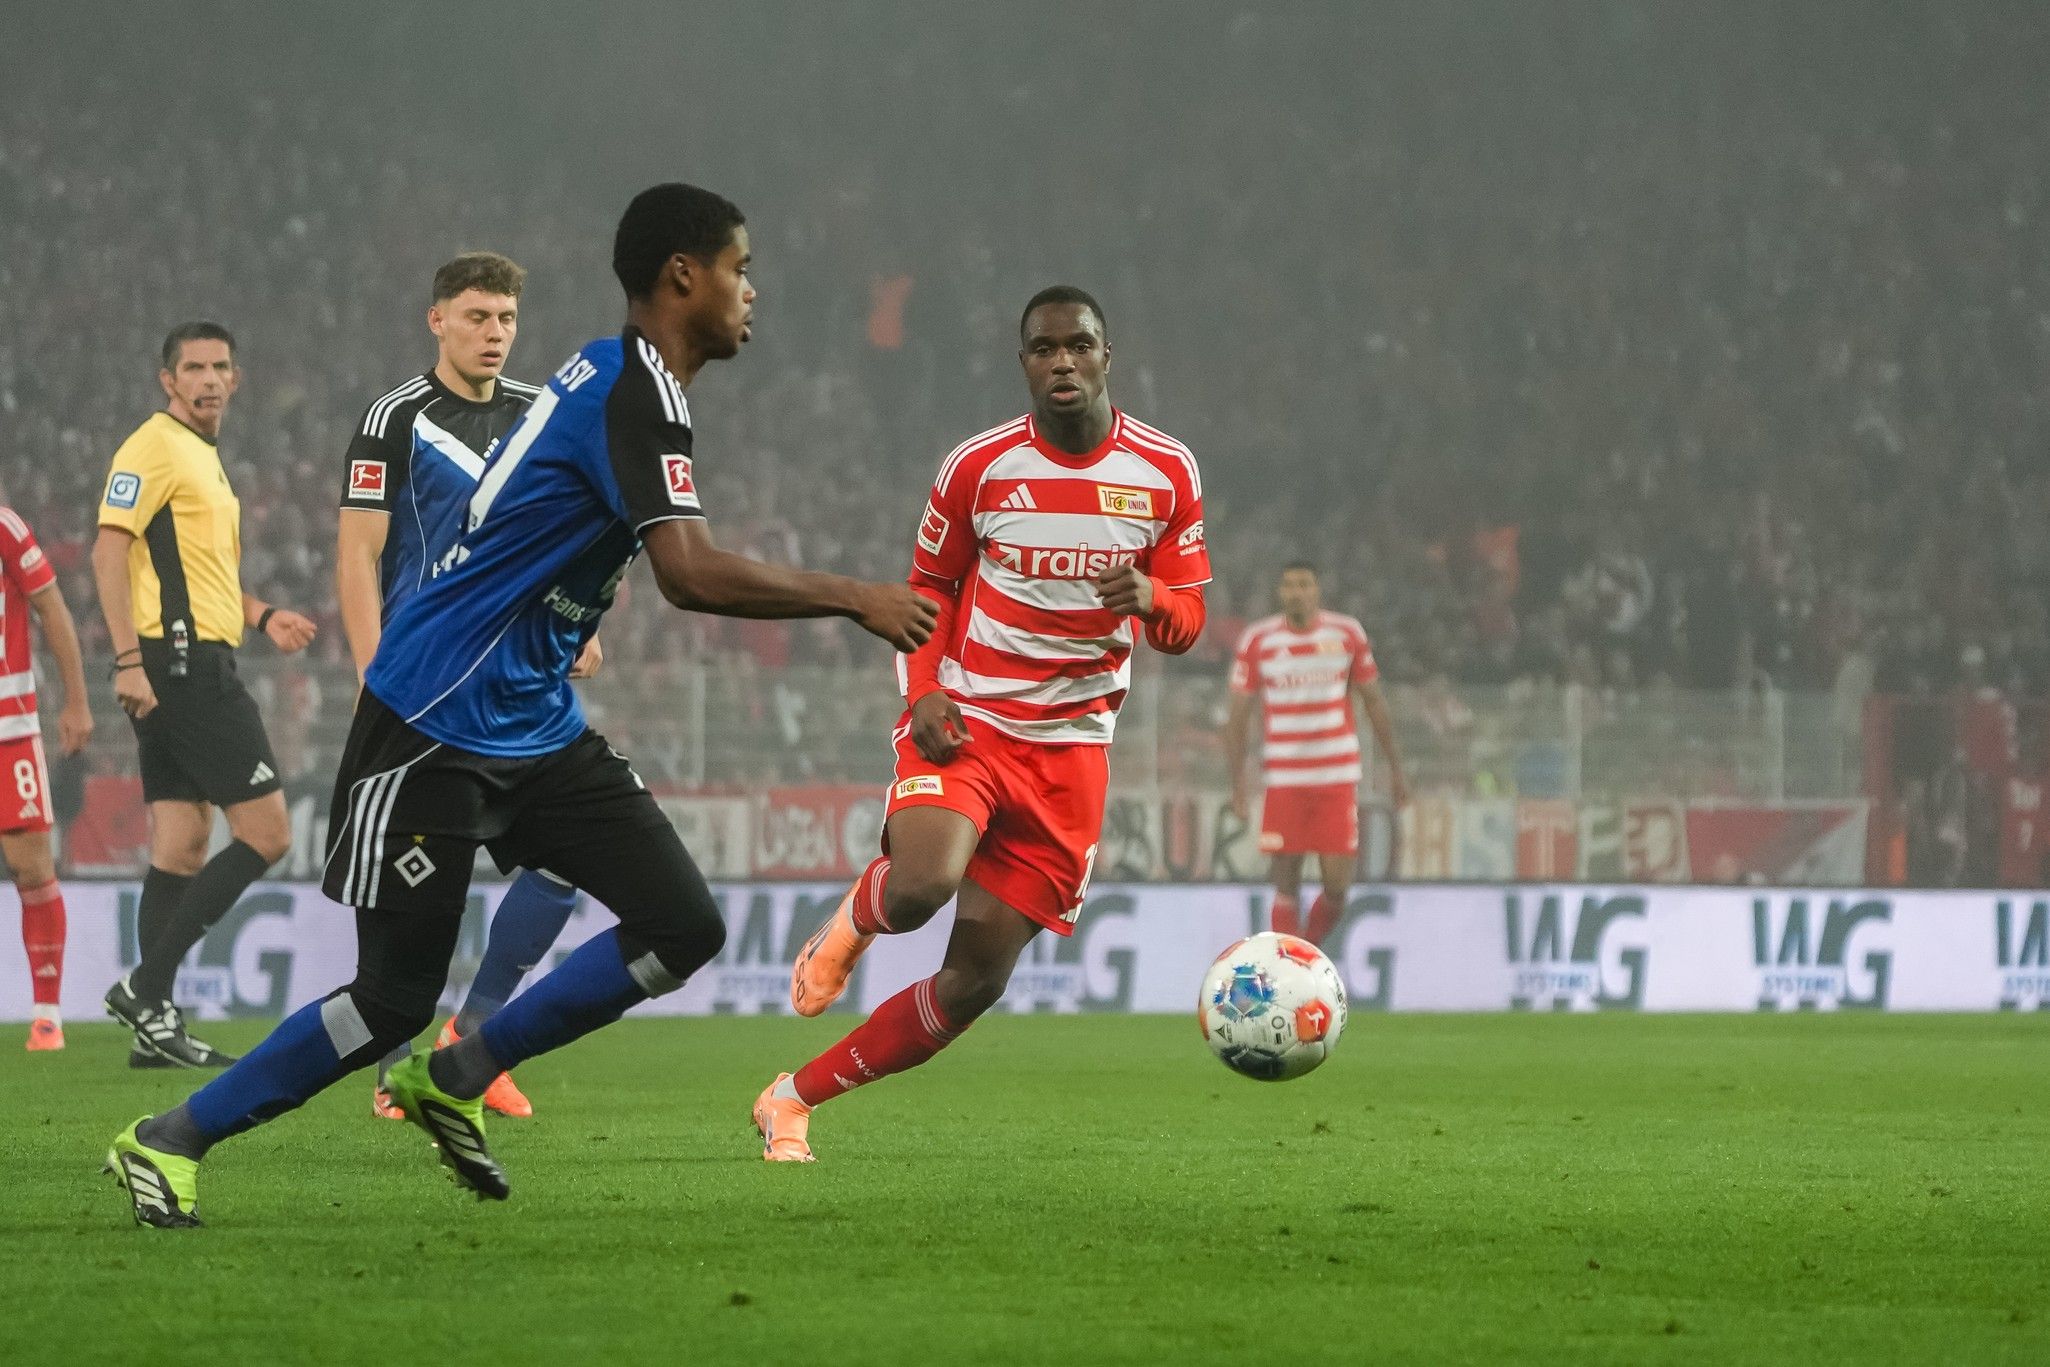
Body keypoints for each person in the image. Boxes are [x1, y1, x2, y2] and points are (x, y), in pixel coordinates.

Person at [104, 182, 936, 1228]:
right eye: (740, 267)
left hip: (533, 720)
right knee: (389, 999)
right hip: (433, 717)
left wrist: (560, 608)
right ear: (684, 276)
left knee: (683, 922)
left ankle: (460, 1071)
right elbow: (688, 572)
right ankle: (169, 1136)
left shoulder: (612, 373)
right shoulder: (631, 390)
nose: (750, 290)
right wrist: (856, 596)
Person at [755, 286, 1209, 1162]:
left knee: (971, 983)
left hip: (1072, 754)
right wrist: (923, 690)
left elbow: (1185, 623)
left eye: (1079, 345)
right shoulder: (980, 466)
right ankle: (855, 918)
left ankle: (792, 1098)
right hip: (972, 721)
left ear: (1107, 356)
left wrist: (1154, 597)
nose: (1062, 361)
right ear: (1024, 362)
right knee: (921, 885)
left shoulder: (1165, 471)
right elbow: (927, 587)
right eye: (1044, 348)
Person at [336, 250, 598, 1122]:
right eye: (478, 316)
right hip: (423, 683)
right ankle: (394, 1063)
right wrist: (372, 669)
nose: (495, 333)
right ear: (438, 320)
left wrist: (579, 622)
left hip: (516, 682)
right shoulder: (394, 418)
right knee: (414, 884)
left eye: (507, 319)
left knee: (565, 861)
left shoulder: (538, 411)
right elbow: (358, 550)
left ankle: (474, 1037)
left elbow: (572, 530)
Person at [92, 323, 318, 1069]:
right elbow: (108, 549)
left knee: (181, 844)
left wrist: (262, 614)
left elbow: (199, 577)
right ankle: (146, 987)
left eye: (221, 365)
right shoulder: (153, 446)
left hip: (189, 655)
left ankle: (154, 1031)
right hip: (180, 664)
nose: (210, 378)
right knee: (268, 833)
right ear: (169, 380)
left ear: (236, 377)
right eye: (194, 367)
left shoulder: (202, 458)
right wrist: (129, 659)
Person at [1223, 562, 1409, 945]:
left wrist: (1396, 769)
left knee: (1338, 886)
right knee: (1285, 883)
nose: (1297, 592)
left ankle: (1306, 952)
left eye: (1304, 584)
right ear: (1280, 593)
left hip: (1335, 777)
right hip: (1285, 779)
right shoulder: (1258, 640)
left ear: (1317, 590)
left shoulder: (1346, 633)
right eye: (1289, 585)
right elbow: (1237, 717)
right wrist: (1238, 786)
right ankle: (1292, 965)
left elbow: (1374, 701)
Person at [0, 502, 92, 1050]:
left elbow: (52, 609)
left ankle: (46, 1016)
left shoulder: (5, 527)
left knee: (32, 867)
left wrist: (76, 702)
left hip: (8, 728)